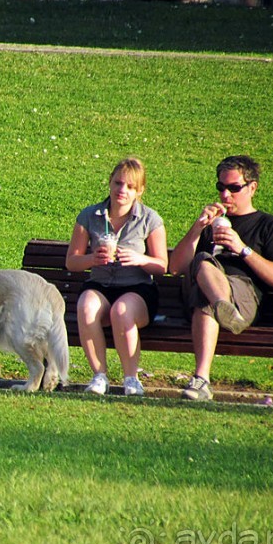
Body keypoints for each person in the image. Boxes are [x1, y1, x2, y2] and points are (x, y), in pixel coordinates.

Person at [169, 155, 273, 401]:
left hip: (243, 295)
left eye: (234, 188)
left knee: (205, 293)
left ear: (252, 187)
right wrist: (197, 228)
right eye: (221, 187)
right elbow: (175, 268)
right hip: (206, 291)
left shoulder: (268, 224)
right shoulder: (209, 224)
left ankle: (201, 380)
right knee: (203, 265)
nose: (226, 195)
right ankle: (223, 307)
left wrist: (242, 249)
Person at [66, 158, 168, 397]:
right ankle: (99, 376)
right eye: (118, 183)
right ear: (110, 183)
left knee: (121, 310)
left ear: (139, 191)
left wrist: (139, 259)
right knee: (86, 306)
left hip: (137, 288)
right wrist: (92, 259)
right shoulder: (90, 215)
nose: (122, 190)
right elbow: (72, 261)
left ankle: (131, 378)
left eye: (130, 187)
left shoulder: (150, 219)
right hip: (100, 284)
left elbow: (162, 265)